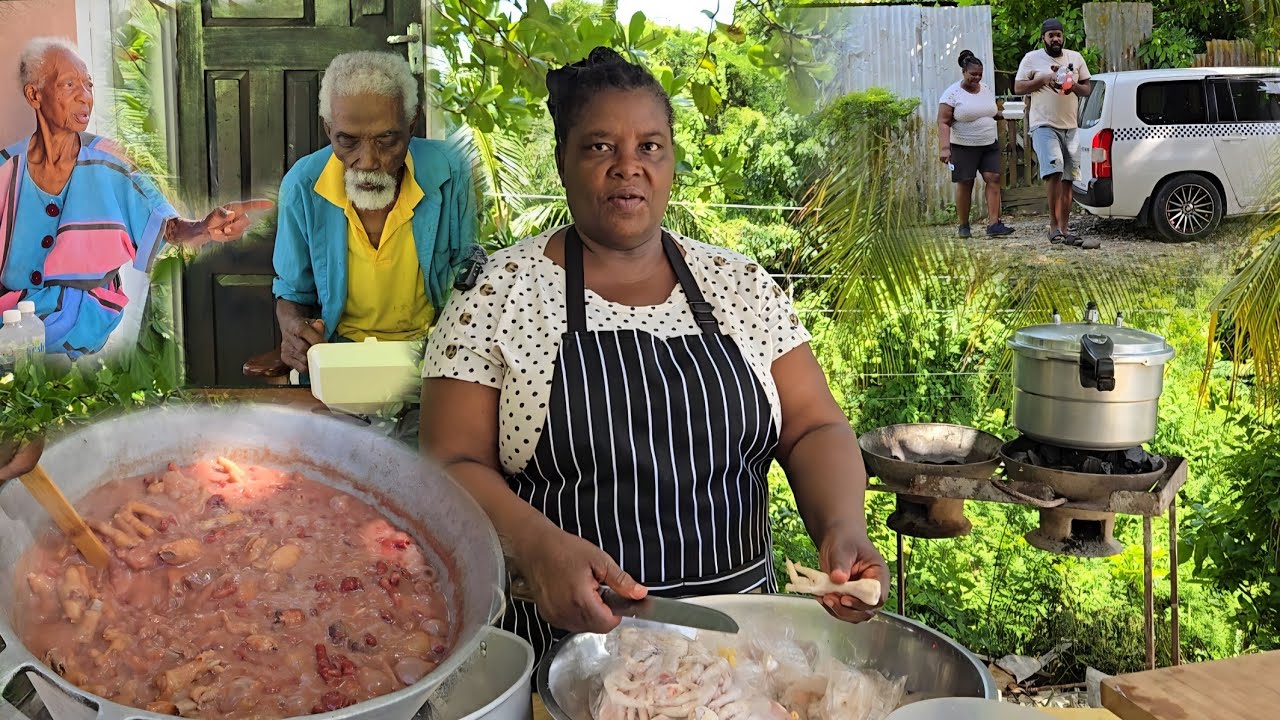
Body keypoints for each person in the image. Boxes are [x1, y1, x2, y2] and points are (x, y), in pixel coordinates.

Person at [419, 47, 889, 663]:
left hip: (742, 650)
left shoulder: (739, 284)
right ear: (563, 162)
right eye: (599, 147)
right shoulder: (498, 293)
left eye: (649, 146)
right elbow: (449, 462)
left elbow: (813, 426)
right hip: (574, 654)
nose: (627, 167)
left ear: (670, 162)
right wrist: (536, 548)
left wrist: (841, 526)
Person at [0, 38, 271, 358]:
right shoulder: (7, 168)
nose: (84, 97)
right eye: (69, 84)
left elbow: (167, 228)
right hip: (12, 314)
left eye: (88, 85)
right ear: (35, 94)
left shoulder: (109, 160)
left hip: (85, 311)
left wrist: (202, 227)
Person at [271, 51, 477, 374]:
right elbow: (291, 292)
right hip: (341, 363)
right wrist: (294, 329)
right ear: (328, 130)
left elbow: (471, 282)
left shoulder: (451, 172)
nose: (367, 161)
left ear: (411, 125)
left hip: (429, 361)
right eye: (347, 141)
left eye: (386, 138)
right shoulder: (301, 185)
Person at [1015, 18, 1097, 250]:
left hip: (1070, 126)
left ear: (1063, 37)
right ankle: (1052, 226)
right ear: (1043, 38)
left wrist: (1068, 86)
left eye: (1058, 35)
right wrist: (1042, 79)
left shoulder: (1075, 58)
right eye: (1051, 35)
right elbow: (1018, 87)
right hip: (1043, 125)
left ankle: (1064, 228)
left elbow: (1087, 90)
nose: (1055, 39)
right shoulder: (1032, 59)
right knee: (1054, 171)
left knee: (1069, 178)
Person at [938, 50, 1014, 239]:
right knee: (966, 183)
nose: (977, 78)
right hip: (963, 146)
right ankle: (964, 225)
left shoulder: (986, 89)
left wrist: (1006, 114)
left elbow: (990, 112)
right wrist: (945, 148)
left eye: (980, 74)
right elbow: (943, 121)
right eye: (973, 74)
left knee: (993, 178)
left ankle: (994, 224)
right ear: (964, 72)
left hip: (988, 143)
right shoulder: (952, 93)